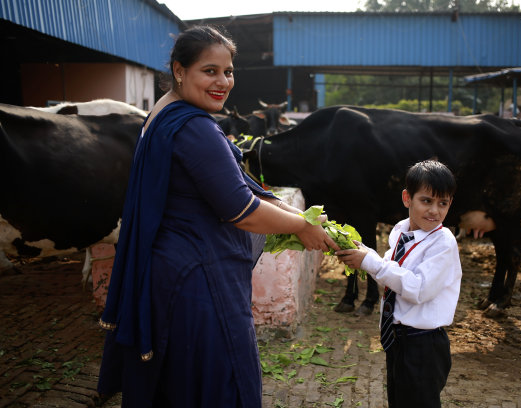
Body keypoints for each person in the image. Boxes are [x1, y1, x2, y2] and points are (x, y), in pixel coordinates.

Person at [96, 25, 339, 407]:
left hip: (171, 272)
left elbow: (242, 184)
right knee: (216, 378)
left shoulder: (163, 114)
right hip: (199, 279)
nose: (223, 82)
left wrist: (295, 213)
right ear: (179, 70)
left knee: (175, 377)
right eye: (209, 71)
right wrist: (302, 227)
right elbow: (241, 209)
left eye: (227, 71)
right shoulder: (196, 129)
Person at [335, 160, 462, 408]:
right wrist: (362, 254)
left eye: (443, 203)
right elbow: (390, 271)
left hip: (424, 345)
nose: (435, 211)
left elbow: (418, 289)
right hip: (398, 339)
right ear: (407, 198)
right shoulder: (401, 232)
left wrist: (371, 262)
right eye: (426, 200)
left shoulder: (443, 243)